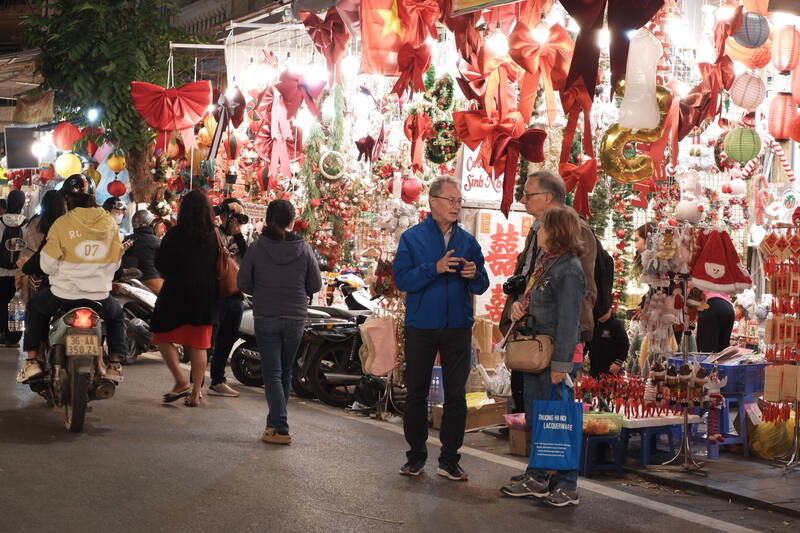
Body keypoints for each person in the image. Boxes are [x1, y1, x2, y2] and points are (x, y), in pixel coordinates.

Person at [392, 177, 490, 481]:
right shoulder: (412, 239)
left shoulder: (467, 241)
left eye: (459, 201)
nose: (456, 206)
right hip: (421, 325)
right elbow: (402, 281)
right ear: (433, 202)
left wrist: (474, 275)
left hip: (457, 327)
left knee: (456, 395)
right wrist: (433, 268)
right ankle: (415, 457)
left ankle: (449, 459)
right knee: (417, 394)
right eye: (451, 200)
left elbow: (482, 282)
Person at [500, 206, 586, 507]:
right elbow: (533, 300)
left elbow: (570, 321)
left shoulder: (570, 269)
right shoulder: (546, 263)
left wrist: (562, 366)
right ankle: (537, 476)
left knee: (560, 420)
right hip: (537, 352)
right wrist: (519, 308)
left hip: (556, 357)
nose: (538, 232)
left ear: (557, 232)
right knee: (539, 418)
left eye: (543, 228)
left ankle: (568, 484)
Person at [499, 171, 597, 414]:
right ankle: (535, 445)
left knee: (551, 413)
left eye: (528, 195)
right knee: (533, 405)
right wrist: (521, 303)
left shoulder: (571, 243)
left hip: (556, 337)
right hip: (534, 331)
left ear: (548, 196)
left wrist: (563, 359)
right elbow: (534, 277)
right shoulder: (540, 233)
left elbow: (575, 299)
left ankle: (547, 449)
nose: (523, 200)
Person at [16, 175, 126, 384]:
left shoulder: (62, 224)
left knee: (35, 308)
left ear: (66, 198)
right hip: (99, 296)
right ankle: (114, 364)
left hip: (62, 294)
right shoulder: (110, 224)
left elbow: (47, 265)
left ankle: (31, 361)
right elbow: (115, 264)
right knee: (116, 316)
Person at [237, 199, 322, 444]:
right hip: (295, 316)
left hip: (266, 314)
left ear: (268, 219)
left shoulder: (257, 247)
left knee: (272, 373)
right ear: (292, 221)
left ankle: (281, 427)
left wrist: (262, 290)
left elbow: (243, 283)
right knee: (283, 372)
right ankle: (273, 425)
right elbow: (315, 285)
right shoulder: (303, 248)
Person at [151, 190, 219, 407]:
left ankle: (181, 380)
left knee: (161, 335)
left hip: (177, 292)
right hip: (206, 294)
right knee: (199, 344)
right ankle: (196, 393)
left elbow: (161, 264)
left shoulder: (175, 233)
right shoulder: (214, 234)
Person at [209, 198, 249, 398]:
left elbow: (249, 259)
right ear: (224, 216)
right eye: (235, 216)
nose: (238, 221)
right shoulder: (212, 231)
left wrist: (238, 235)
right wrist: (222, 209)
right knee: (208, 339)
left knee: (226, 340)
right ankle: (196, 381)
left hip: (234, 294)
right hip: (213, 294)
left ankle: (217, 380)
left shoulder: (240, 237)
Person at [17, 190, 66, 302]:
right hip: (59, 275)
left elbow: (26, 249)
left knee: (34, 308)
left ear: (43, 204)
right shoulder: (65, 223)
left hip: (35, 273)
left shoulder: (34, 222)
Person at [0, 190, 28, 347]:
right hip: (19, 273)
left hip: (0, 271)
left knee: (1, 302)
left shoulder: (0, 221)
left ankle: (1, 333)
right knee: (17, 304)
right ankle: (13, 338)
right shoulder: (26, 223)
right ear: (22, 204)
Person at [121, 210, 163, 293]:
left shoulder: (126, 240)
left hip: (129, 283)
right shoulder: (158, 242)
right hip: (154, 282)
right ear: (151, 224)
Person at [585, 310, 629, 377]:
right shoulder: (594, 323)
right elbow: (588, 341)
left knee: (608, 386)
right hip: (594, 366)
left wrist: (618, 363)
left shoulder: (616, 324)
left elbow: (624, 344)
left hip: (611, 368)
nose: (600, 316)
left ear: (609, 310)